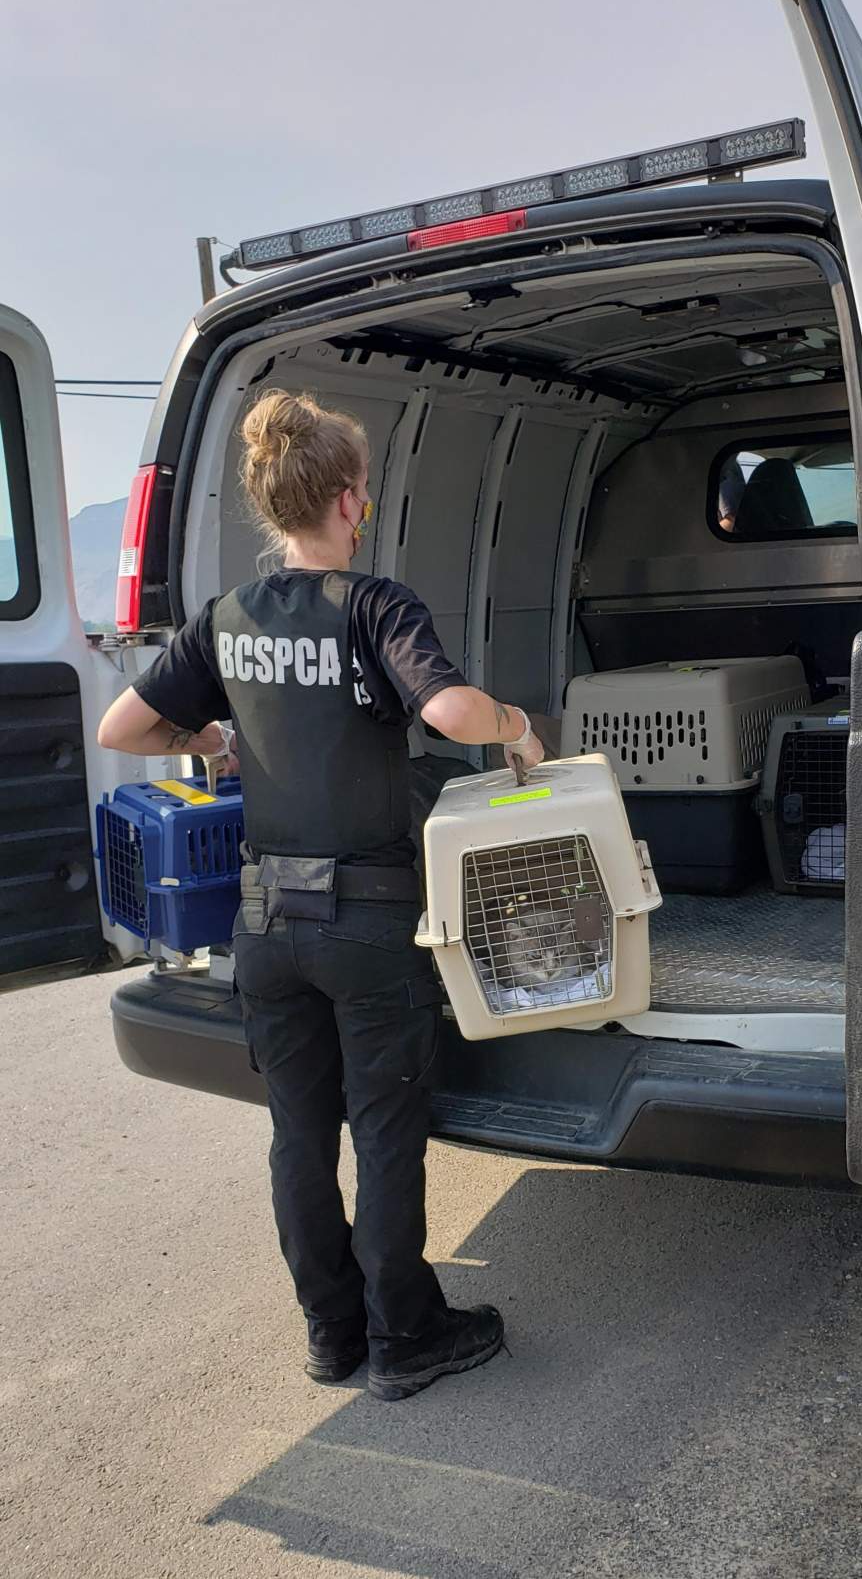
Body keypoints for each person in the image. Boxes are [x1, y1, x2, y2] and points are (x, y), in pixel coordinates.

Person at [97, 390, 544, 1402]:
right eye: (365, 487)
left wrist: (208, 738)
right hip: (365, 920)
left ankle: (330, 1334)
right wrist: (515, 725)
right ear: (346, 500)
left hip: (265, 927)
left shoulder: (225, 620)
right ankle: (406, 1338)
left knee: (300, 1137)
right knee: (385, 1133)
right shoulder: (374, 604)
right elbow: (447, 707)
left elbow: (120, 727)